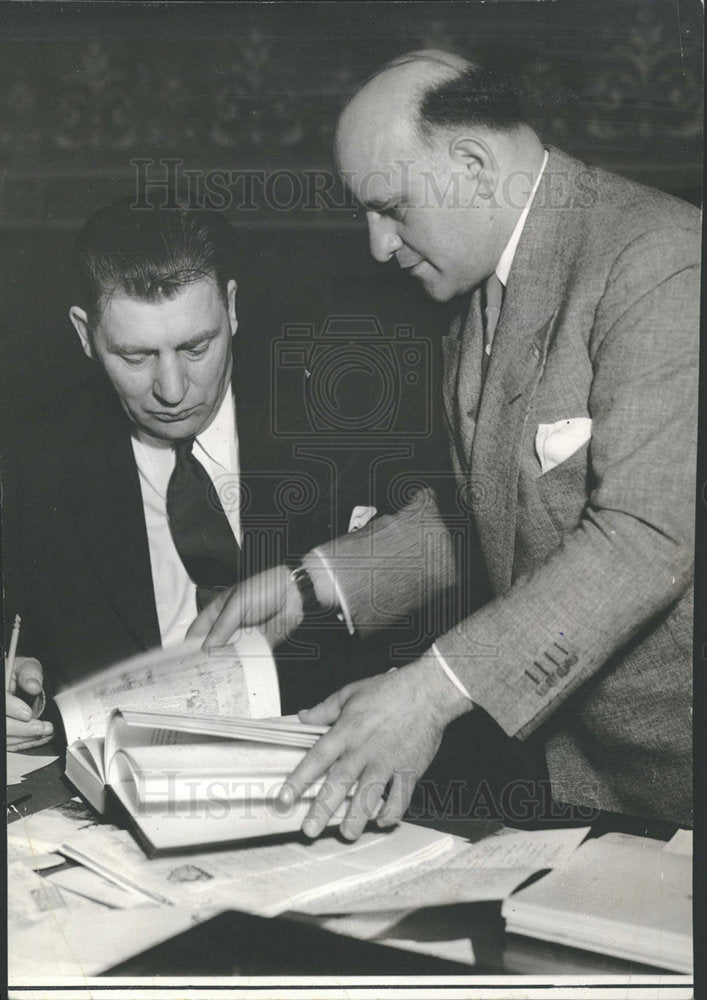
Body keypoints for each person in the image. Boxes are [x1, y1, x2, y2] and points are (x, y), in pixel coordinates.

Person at [190, 49, 698, 839]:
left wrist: (426, 693)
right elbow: (480, 517)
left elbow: (642, 539)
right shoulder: (480, 297)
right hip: (587, 780)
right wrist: (306, 585)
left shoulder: (661, 260)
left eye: (390, 208)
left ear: (470, 163)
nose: (377, 247)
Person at [3, 199, 353, 749]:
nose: (171, 390)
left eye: (196, 347)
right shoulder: (35, 462)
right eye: (135, 356)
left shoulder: (336, 424)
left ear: (232, 309)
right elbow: (18, 642)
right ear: (84, 335)